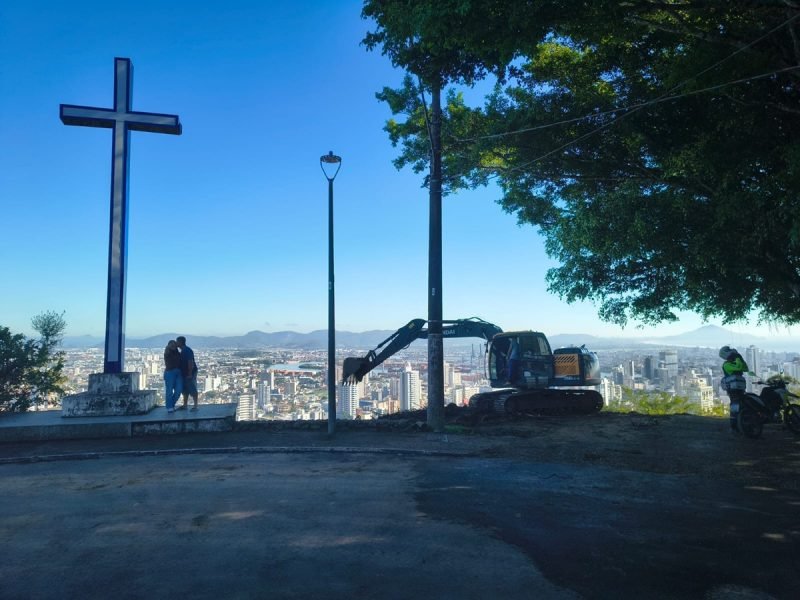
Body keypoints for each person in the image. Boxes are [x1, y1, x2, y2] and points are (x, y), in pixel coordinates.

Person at [719, 346, 751, 432]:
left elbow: (745, 368)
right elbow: (739, 368)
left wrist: (740, 358)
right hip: (733, 389)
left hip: (739, 387)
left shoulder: (733, 363)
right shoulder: (726, 365)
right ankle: (734, 426)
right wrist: (737, 358)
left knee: (743, 404)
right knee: (735, 405)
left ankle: (743, 423)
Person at [176, 336, 199, 411]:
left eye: (177, 342)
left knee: (192, 388)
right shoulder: (183, 350)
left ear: (180, 342)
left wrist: (189, 374)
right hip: (185, 373)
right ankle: (185, 405)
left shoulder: (186, 350)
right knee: (185, 389)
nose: (176, 343)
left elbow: (190, 362)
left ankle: (195, 406)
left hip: (189, 373)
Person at [163, 340, 183, 413]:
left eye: (174, 344)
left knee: (179, 389)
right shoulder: (167, 353)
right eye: (171, 345)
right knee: (169, 390)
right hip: (170, 372)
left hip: (178, 372)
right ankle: (170, 407)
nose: (173, 346)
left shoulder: (178, 353)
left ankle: (171, 404)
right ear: (168, 346)